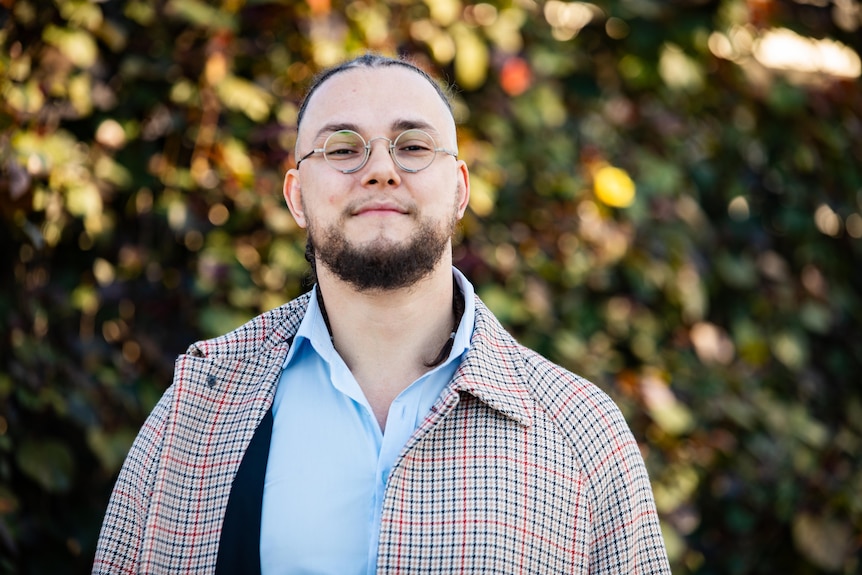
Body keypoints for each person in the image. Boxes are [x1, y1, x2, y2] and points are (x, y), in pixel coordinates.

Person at [93, 54, 671, 575]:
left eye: (413, 146)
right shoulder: (201, 403)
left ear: (460, 189)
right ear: (296, 196)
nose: (380, 170)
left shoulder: (580, 431)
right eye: (343, 148)